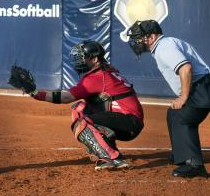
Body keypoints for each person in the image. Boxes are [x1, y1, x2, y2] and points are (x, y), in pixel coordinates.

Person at [20, 40, 144, 171]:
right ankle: (103, 151)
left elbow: (66, 97)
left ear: (95, 59)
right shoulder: (105, 71)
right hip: (128, 119)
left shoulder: (97, 77)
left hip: (129, 123)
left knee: (82, 123)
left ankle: (112, 158)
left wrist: (35, 93)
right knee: (79, 108)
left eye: (83, 58)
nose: (79, 62)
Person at [127, 20, 210, 178]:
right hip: (201, 87)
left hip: (201, 88)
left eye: (139, 37)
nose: (136, 41)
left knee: (182, 118)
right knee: (173, 114)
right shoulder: (164, 45)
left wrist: (183, 97)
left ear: (151, 37)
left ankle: (193, 165)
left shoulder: (164, 46)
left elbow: (186, 68)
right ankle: (181, 155)